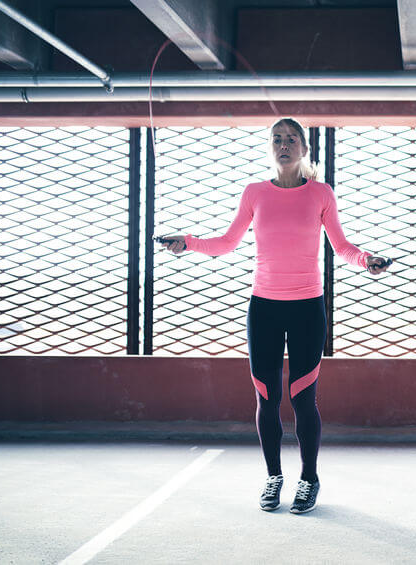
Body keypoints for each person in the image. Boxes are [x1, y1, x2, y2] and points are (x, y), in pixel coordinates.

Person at [158, 118, 392, 514]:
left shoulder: (321, 193)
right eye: (277, 140)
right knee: (267, 397)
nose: (284, 145)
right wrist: (189, 242)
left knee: (303, 399)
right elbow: (228, 242)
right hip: (263, 308)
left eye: (291, 139)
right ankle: (273, 477)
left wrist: (367, 260)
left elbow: (342, 246)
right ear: (271, 148)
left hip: (307, 308)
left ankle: (309, 479)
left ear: (303, 148)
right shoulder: (254, 193)